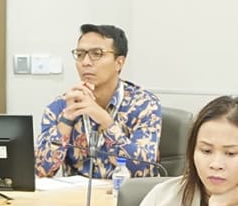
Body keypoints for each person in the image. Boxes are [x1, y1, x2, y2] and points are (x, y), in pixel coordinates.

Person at [34, 24, 163, 179]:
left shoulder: (144, 104)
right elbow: (41, 171)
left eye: (97, 54)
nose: (86, 62)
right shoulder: (61, 106)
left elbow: (144, 169)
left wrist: (105, 121)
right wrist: (66, 119)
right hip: (76, 193)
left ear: (119, 62)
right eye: (80, 54)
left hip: (124, 193)